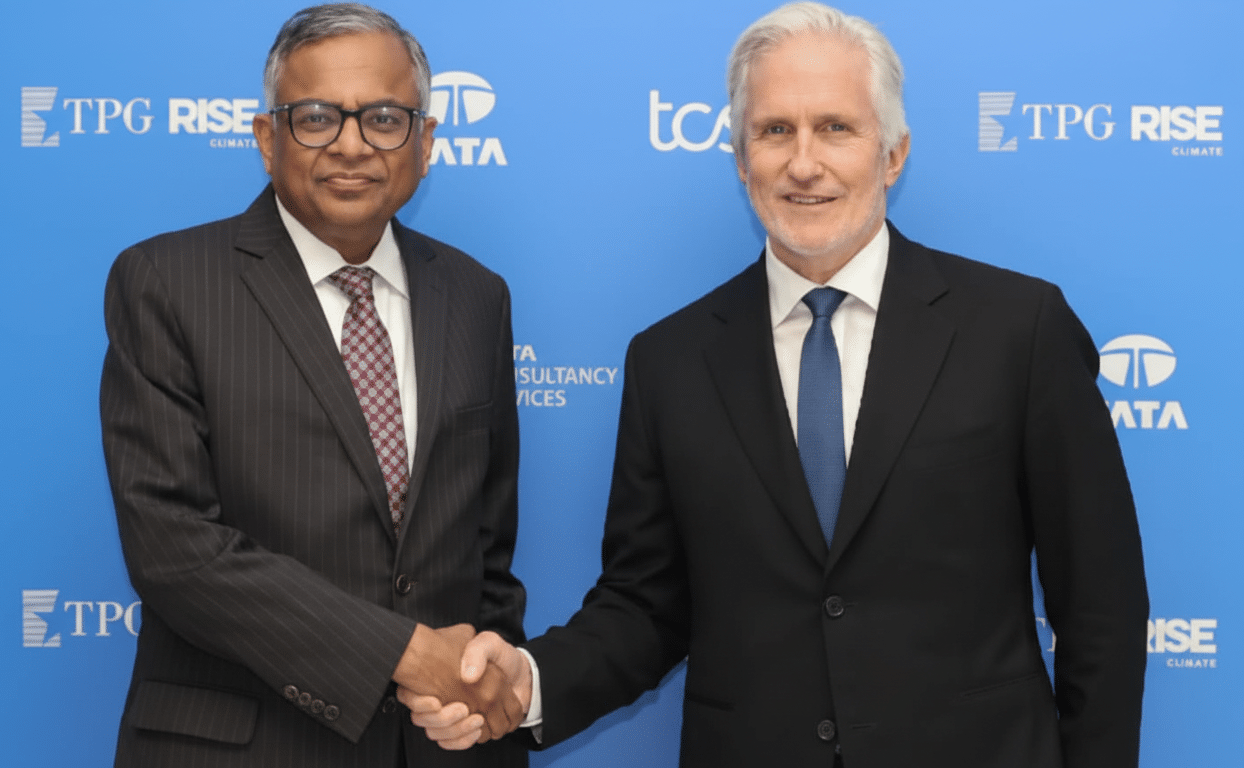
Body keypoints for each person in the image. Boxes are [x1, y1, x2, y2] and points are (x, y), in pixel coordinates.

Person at [399, 3, 1149, 766]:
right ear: (739, 157)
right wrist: (528, 682)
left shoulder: (1018, 331)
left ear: (893, 154)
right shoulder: (670, 359)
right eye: (775, 130)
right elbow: (646, 607)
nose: (803, 162)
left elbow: (1101, 606)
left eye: (836, 127)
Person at [99, 4, 527, 766]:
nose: (353, 145)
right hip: (242, 747)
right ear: (267, 139)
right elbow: (173, 546)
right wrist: (400, 652)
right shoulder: (167, 283)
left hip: (439, 748)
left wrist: (484, 680)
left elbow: (486, 550)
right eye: (317, 118)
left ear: (426, 144)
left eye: (386, 119)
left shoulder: (476, 295)